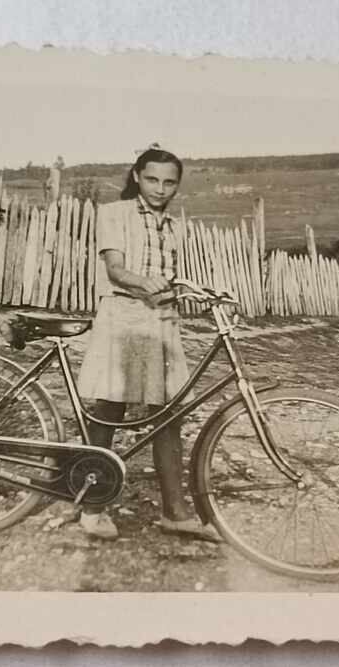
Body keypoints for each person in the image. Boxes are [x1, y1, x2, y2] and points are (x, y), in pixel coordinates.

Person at [74, 146, 220, 542]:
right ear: (137, 176)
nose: (160, 188)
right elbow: (115, 268)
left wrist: (200, 294)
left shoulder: (175, 225)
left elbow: (171, 275)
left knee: (168, 412)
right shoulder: (113, 213)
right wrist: (142, 282)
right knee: (110, 407)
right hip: (123, 316)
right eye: (153, 179)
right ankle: (92, 505)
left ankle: (174, 512)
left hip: (162, 320)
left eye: (169, 182)